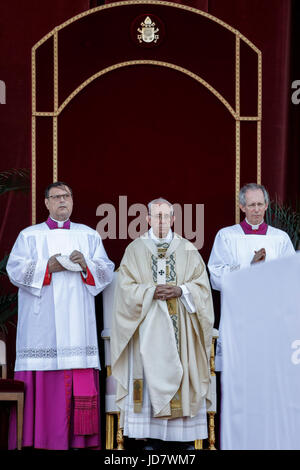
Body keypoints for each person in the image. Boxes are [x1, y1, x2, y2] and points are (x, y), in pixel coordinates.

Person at [6, 181, 114, 450]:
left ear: (72, 200)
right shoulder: (30, 235)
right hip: (42, 325)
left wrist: (86, 264)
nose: (62, 200)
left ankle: (81, 441)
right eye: (56, 197)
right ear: (46, 203)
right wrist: (47, 267)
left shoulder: (88, 236)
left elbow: (106, 271)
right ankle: (38, 439)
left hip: (78, 322)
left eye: (67, 196)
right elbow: (15, 269)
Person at [110, 198, 214, 450]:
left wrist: (181, 290)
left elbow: (203, 286)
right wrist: (150, 292)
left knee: (180, 373)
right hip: (146, 332)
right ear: (147, 219)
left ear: (174, 219)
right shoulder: (135, 249)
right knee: (147, 375)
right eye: (156, 216)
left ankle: (182, 439)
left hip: (182, 331)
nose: (161, 221)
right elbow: (124, 290)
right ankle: (150, 438)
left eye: (166, 216)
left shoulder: (188, 248)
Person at [208, 182, 295, 369]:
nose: (256, 210)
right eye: (251, 205)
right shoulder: (226, 236)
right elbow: (215, 276)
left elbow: (291, 278)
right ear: (242, 207)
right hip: (238, 316)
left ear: (266, 205)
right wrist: (249, 267)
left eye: (260, 204)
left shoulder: (280, 238)